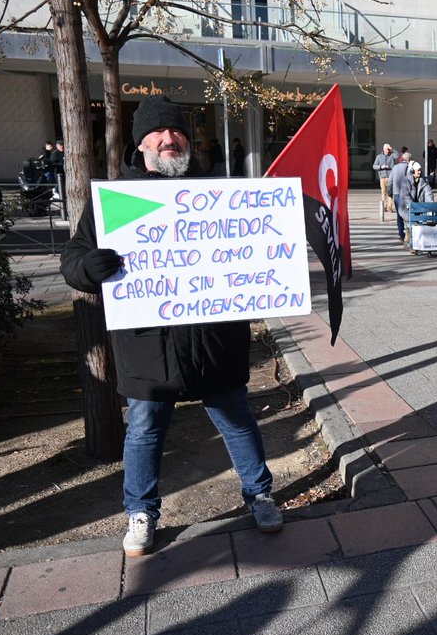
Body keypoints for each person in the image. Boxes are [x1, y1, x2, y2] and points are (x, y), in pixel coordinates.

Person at [58, 95, 284, 556]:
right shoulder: (116, 200)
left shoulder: (220, 194)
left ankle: (259, 493)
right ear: (140, 144)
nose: (168, 139)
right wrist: (89, 268)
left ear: (188, 139)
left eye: (176, 131)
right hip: (147, 349)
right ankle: (140, 513)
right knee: (144, 430)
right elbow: (72, 260)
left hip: (214, 342)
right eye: (157, 133)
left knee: (238, 421)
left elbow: (256, 246)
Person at [404, 161, 435, 245]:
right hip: (409, 208)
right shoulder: (406, 181)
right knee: (411, 224)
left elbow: (428, 193)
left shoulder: (424, 181)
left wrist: (430, 204)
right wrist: (413, 206)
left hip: (420, 207)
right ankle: (410, 242)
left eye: (420, 170)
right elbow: (406, 197)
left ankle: (417, 242)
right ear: (412, 171)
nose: (420, 172)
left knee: (421, 225)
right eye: (418, 170)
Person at [389, 153, 412, 242]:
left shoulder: (395, 167)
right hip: (406, 194)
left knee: (399, 214)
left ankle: (401, 234)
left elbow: (390, 181)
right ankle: (408, 233)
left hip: (396, 193)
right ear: (409, 160)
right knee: (409, 213)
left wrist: (390, 192)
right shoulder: (409, 167)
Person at [373, 143, 396, 215]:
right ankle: (383, 206)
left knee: (390, 192)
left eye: (389, 149)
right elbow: (374, 166)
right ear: (383, 149)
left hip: (390, 176)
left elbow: (397, 156)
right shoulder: (379, 157)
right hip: (382, 177)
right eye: (387, 149)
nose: (388, 151)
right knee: (383, 192)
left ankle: (389, 207)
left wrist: (392, 149)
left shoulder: (392, 155)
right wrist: (380, 166)